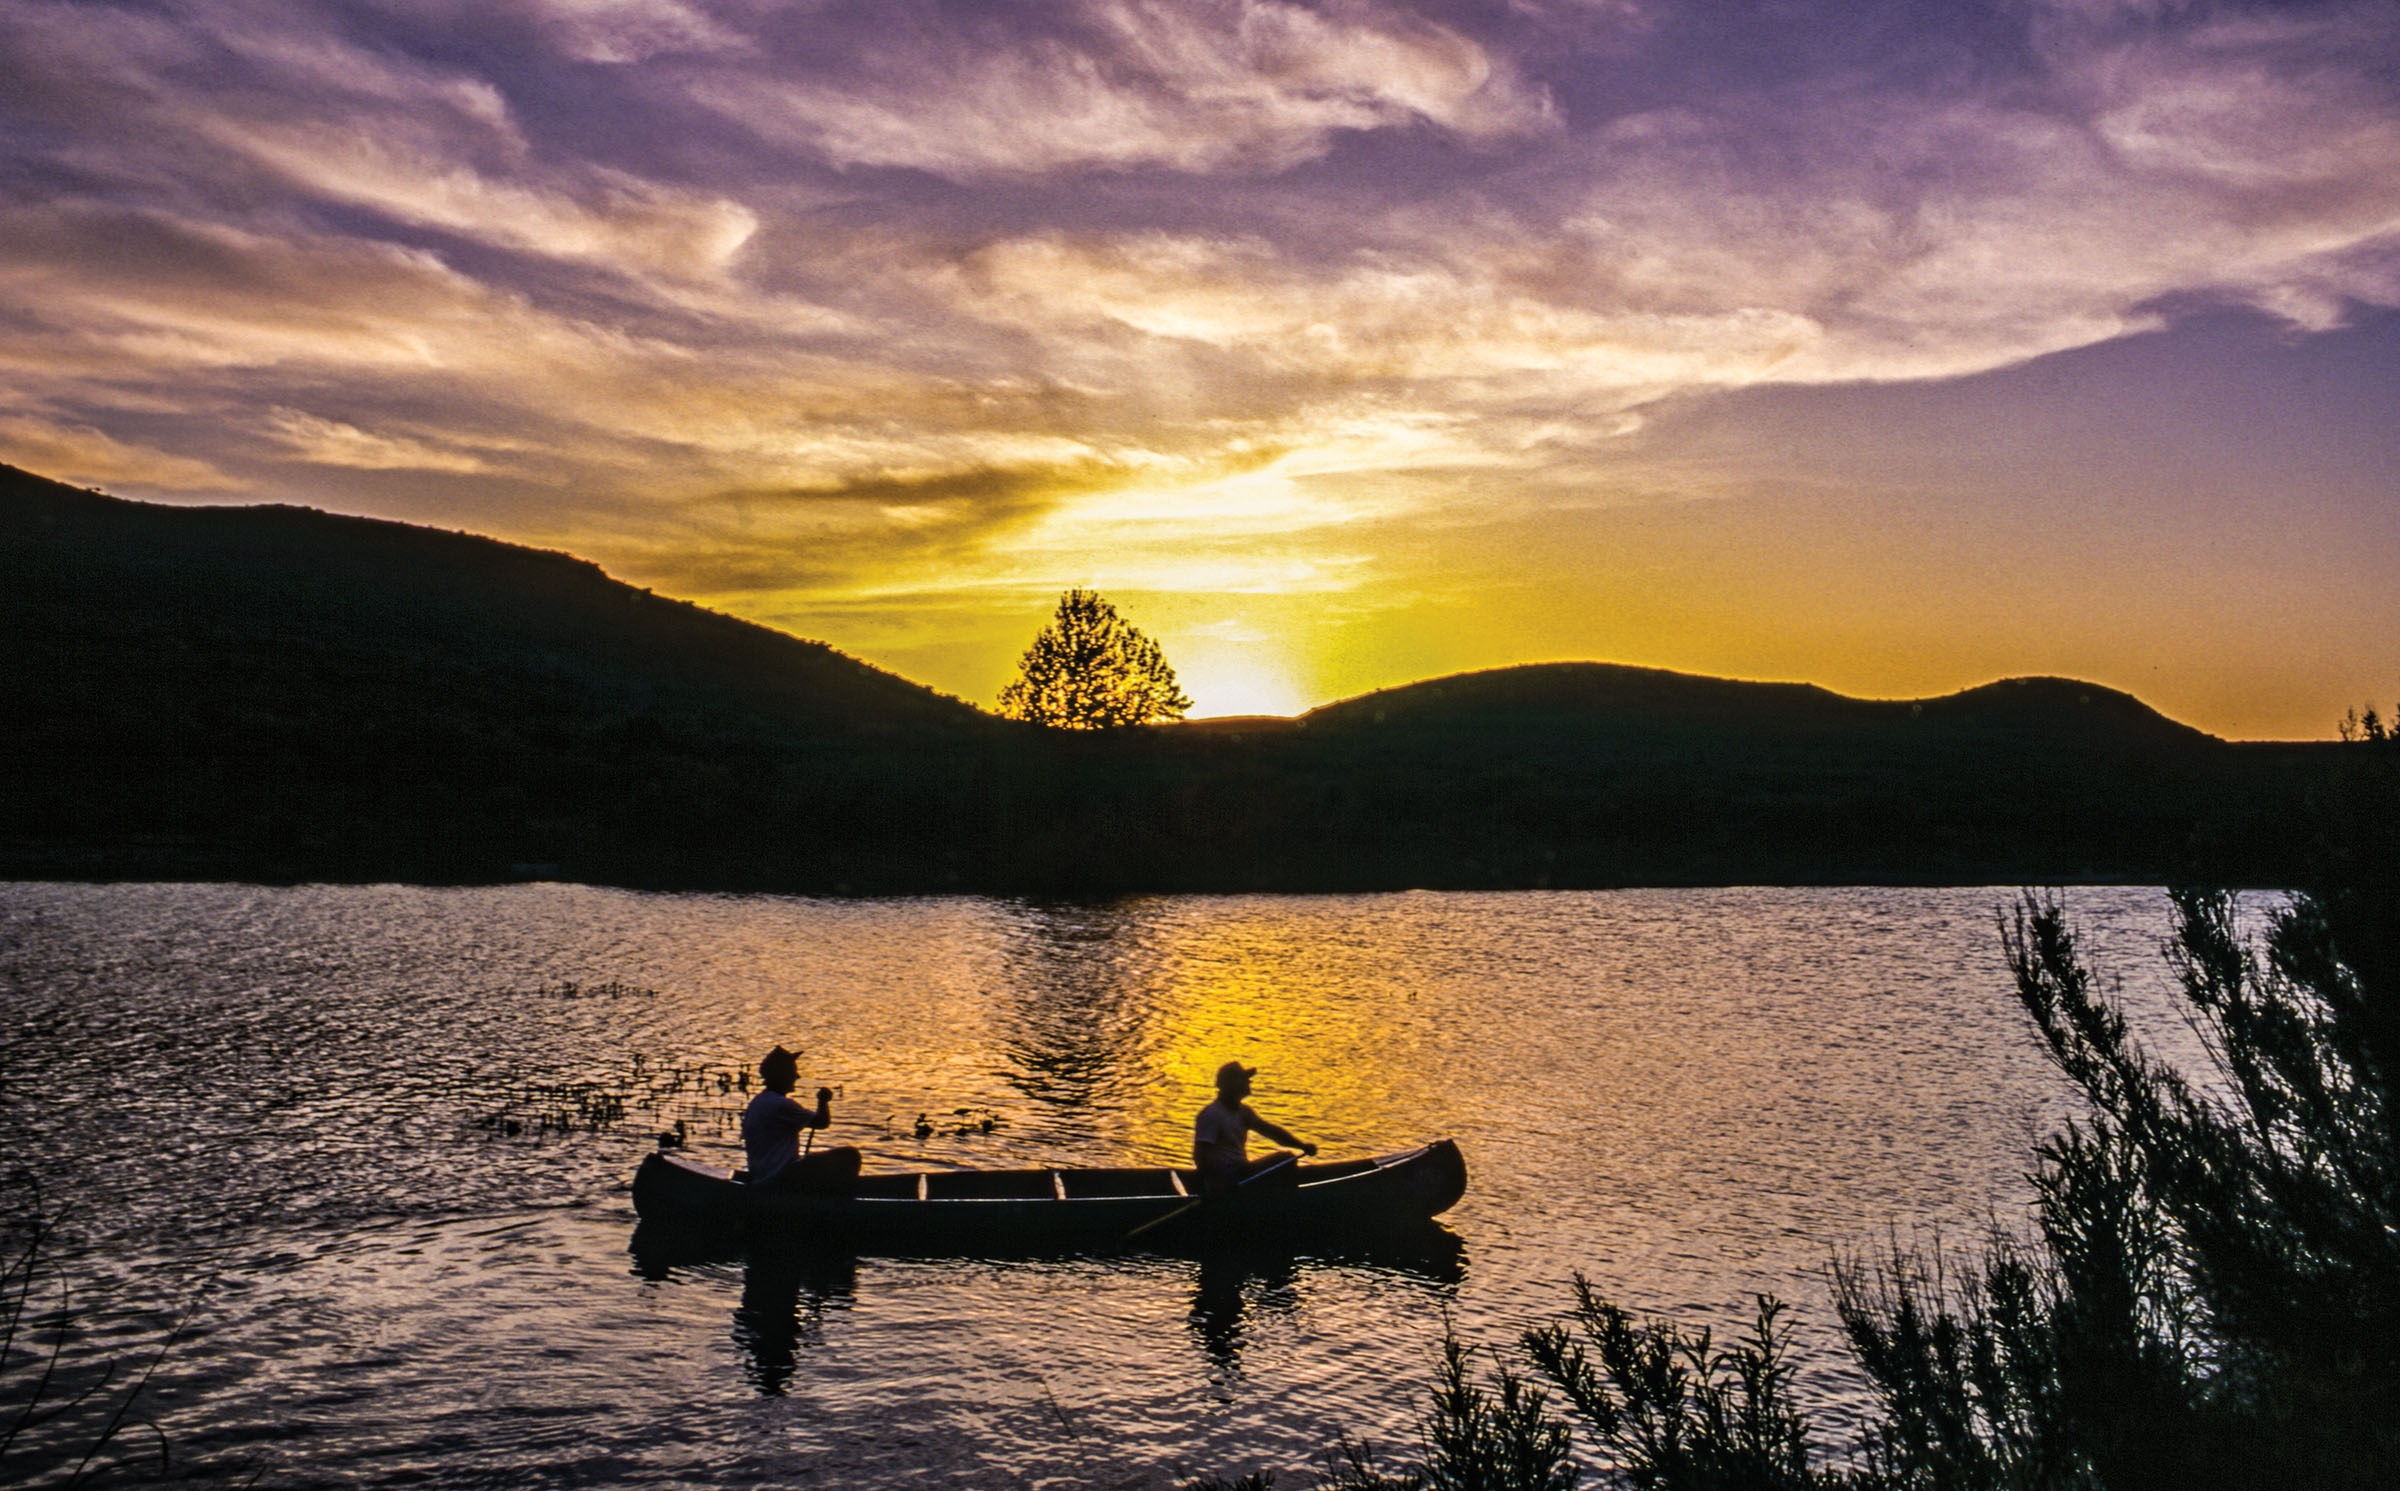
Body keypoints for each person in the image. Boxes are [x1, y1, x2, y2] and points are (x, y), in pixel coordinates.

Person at [741, 1045, 861, 1194]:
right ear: (781, 1075)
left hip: (762, 1174)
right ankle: (840, 1201)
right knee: (850, 1155)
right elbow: (822, 1122)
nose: (797, 1076)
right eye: (793, 1072)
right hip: (777, 1177)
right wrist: (823, 1101)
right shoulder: (780, 1104)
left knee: (813, 1161)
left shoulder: (758, 1101)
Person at [1192, 1060, 1317, 1195]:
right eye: (1244, 1079)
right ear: (1232, 1084)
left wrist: (1302, 1146)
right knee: (1285, 1159)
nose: (1249, 1083)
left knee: (1287, 1160)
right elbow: (1200, 1155)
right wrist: (1215, 1185)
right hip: (1226, 1178)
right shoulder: (1211, 1114)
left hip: (1241, 1171)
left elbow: (1272, 1132)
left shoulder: (1244, 1112)